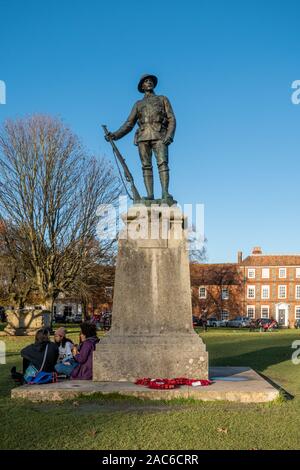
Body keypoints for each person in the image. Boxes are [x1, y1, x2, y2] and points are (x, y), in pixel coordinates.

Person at [105, 74, 176, 202]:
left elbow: (171, 119)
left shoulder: (163, 99)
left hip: (160, 135)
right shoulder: (138, 104)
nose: (149, 82)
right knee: (146, 166)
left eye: (150, 81)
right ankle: (150, 195)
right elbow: (129, 124)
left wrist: (169, 135)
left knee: (163, 164)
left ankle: (165, 193)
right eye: (146, 81)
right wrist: (115, 135)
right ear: (142, 87)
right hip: (143, 137)